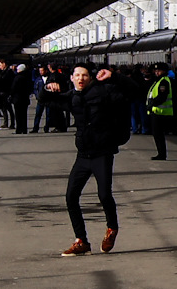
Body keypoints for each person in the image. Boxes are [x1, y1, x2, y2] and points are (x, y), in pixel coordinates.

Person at [37, 64, 132, 256]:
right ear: (71, 78)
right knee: (71, 196)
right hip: (83, 155)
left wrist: (113, 77)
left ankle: (112, 228)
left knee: (104, 195)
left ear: (91, 78)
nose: (81, 78)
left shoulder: (105, 93)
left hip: (102, 153)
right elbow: (44, 99)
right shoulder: (72, 98)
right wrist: (48, 87)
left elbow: (133, 91)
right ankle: (81, 241)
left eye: (85, 75)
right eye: (77, 75)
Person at [144, 62, 177, 159]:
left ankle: (162, 154)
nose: (156, 72)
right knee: (157, 134)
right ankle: (161, 153)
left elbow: (163, 96)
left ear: (164, 71)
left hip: (160, 112)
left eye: (158, 70)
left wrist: (152, 103)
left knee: (158, 134)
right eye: (156, 70)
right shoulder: (159, 81)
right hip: (157, 111)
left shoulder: (163, 82)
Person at [10, 62, 35, 134]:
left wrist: (11, 94)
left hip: (17, 99)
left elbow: (13, 88)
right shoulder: (28, 77)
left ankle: (18, 129)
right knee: (24, 115)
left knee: (18, 115)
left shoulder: (17, 77)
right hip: (25, 98)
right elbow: (30, 87)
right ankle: (24, 129)